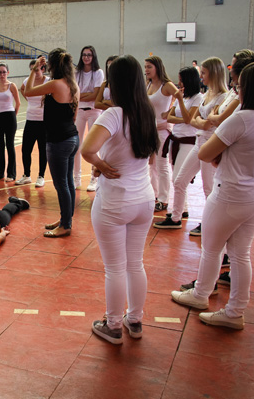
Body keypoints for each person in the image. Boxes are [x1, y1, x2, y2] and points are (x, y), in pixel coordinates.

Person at [170, 61, 254, 330]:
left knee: (212, 248)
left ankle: (200, 294)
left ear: (250, 89)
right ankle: (235, 311)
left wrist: (220, 151)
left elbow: (205, 153)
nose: (236, 89)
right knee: (240, 253)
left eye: (240, 86)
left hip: (232, 195)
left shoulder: (242, 118)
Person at [80, 55, 159, 345]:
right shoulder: (146, 112)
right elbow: (149, 157)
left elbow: (87, 150)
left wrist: (101, 166)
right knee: (135, 263)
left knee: (115, 267)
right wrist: (105, 164)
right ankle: (134, 320)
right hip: (144, 199)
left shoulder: (114, 114)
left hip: (115, 201)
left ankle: (113, 326)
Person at [158, 57, 228, 236]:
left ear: (214, 74)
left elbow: (203, 123)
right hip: (199, 141)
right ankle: (175, 218)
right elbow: (196, 120)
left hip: (210, 144)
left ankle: (209, 223)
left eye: (204, 73)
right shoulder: (207, 95)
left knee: (208, 187)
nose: (201, 76)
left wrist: (202, 121)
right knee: (179, 180)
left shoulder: (223, 97)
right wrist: (202, 121)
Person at [24, 48, 79, 238]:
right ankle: (66, 219)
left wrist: (34, 69)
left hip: (59, 141)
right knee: (68, 181)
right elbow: (74, 116)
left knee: (61, 184)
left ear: (53, 65)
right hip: (72, 137)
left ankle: (66, 224)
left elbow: (28, 91)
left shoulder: (55, 84)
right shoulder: (73, 85)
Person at [152, 66, 203, 228]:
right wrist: (180, 115)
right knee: (177, 176)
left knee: (178, 179)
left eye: (181, 80)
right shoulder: (185, 97)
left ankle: (176, 217)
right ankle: (183, 209)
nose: (179, 83)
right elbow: (168, 117)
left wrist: (179, 102)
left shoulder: (197, 98)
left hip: (188, 141)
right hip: (176, 139)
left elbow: (188, 119)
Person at [145, 56, 179, 213]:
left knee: (162, 164)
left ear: (157, 68)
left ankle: (164, 199)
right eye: (145, 67)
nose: (146, 70)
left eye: (149, 67)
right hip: (150, 130)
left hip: (162, 130)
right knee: (151, 164)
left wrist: (170, 112)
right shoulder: (148, 84)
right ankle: (155, 195)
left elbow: (181, 98)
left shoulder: (167, 85)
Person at [74, 46, 104, 192]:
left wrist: (81, 95)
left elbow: (95, 95)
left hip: (94, 111)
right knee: (76, 145)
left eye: (89, 55)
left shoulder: (98, 73)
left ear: (93, 57)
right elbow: (74, 93)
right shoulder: (77, 73)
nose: (86, 57)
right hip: (79, 111)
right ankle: (76, 178)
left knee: (94, 146)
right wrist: (85, 95)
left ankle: (94, 178)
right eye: (84, 55)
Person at [16, 59, 49, 187]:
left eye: (36, 69)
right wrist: (30, 101)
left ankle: (41, 176)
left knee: (42, 150)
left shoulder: (48, 81)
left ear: (43, 69)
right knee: (26, 149)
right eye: (31, 70)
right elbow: (23, 89)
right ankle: (26, 175)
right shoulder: (27, 81)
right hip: (30, 119)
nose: (33, 72)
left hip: (43, 121)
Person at [0, 63, 20, 182]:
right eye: (0, 72)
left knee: (10, 144)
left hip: (10, 116)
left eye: (4, 72)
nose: (2, 74)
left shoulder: (11, 85)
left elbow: (18, 103)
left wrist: (13, 115)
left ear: (8, 73)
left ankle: (11, 174)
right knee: (0, 145)